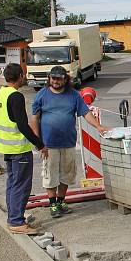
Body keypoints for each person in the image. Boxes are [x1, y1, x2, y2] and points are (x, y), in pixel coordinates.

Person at [31, 65, 108, 218]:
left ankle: (61, 201)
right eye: (53, 78)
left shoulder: (74, 95)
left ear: (66, 79)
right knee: (50, 174)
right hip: (49, 144)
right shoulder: (42, 95)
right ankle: (52, 204)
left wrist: (98, 126)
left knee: (67, 174)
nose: (55, 81)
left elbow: (85, 112)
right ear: (49, 79)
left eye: (59, 78)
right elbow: (34, 118)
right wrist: (38, 141)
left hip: (68, 142)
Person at [0, 63, 46, 234]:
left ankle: (13, 217)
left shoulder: (2, 92)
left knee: (13, 184)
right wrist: (39, 144)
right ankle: (16, 221)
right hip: (18, 148)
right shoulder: (16, 96)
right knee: (21, 186)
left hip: (7, 147)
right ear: (20, 76)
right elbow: (23, 125)